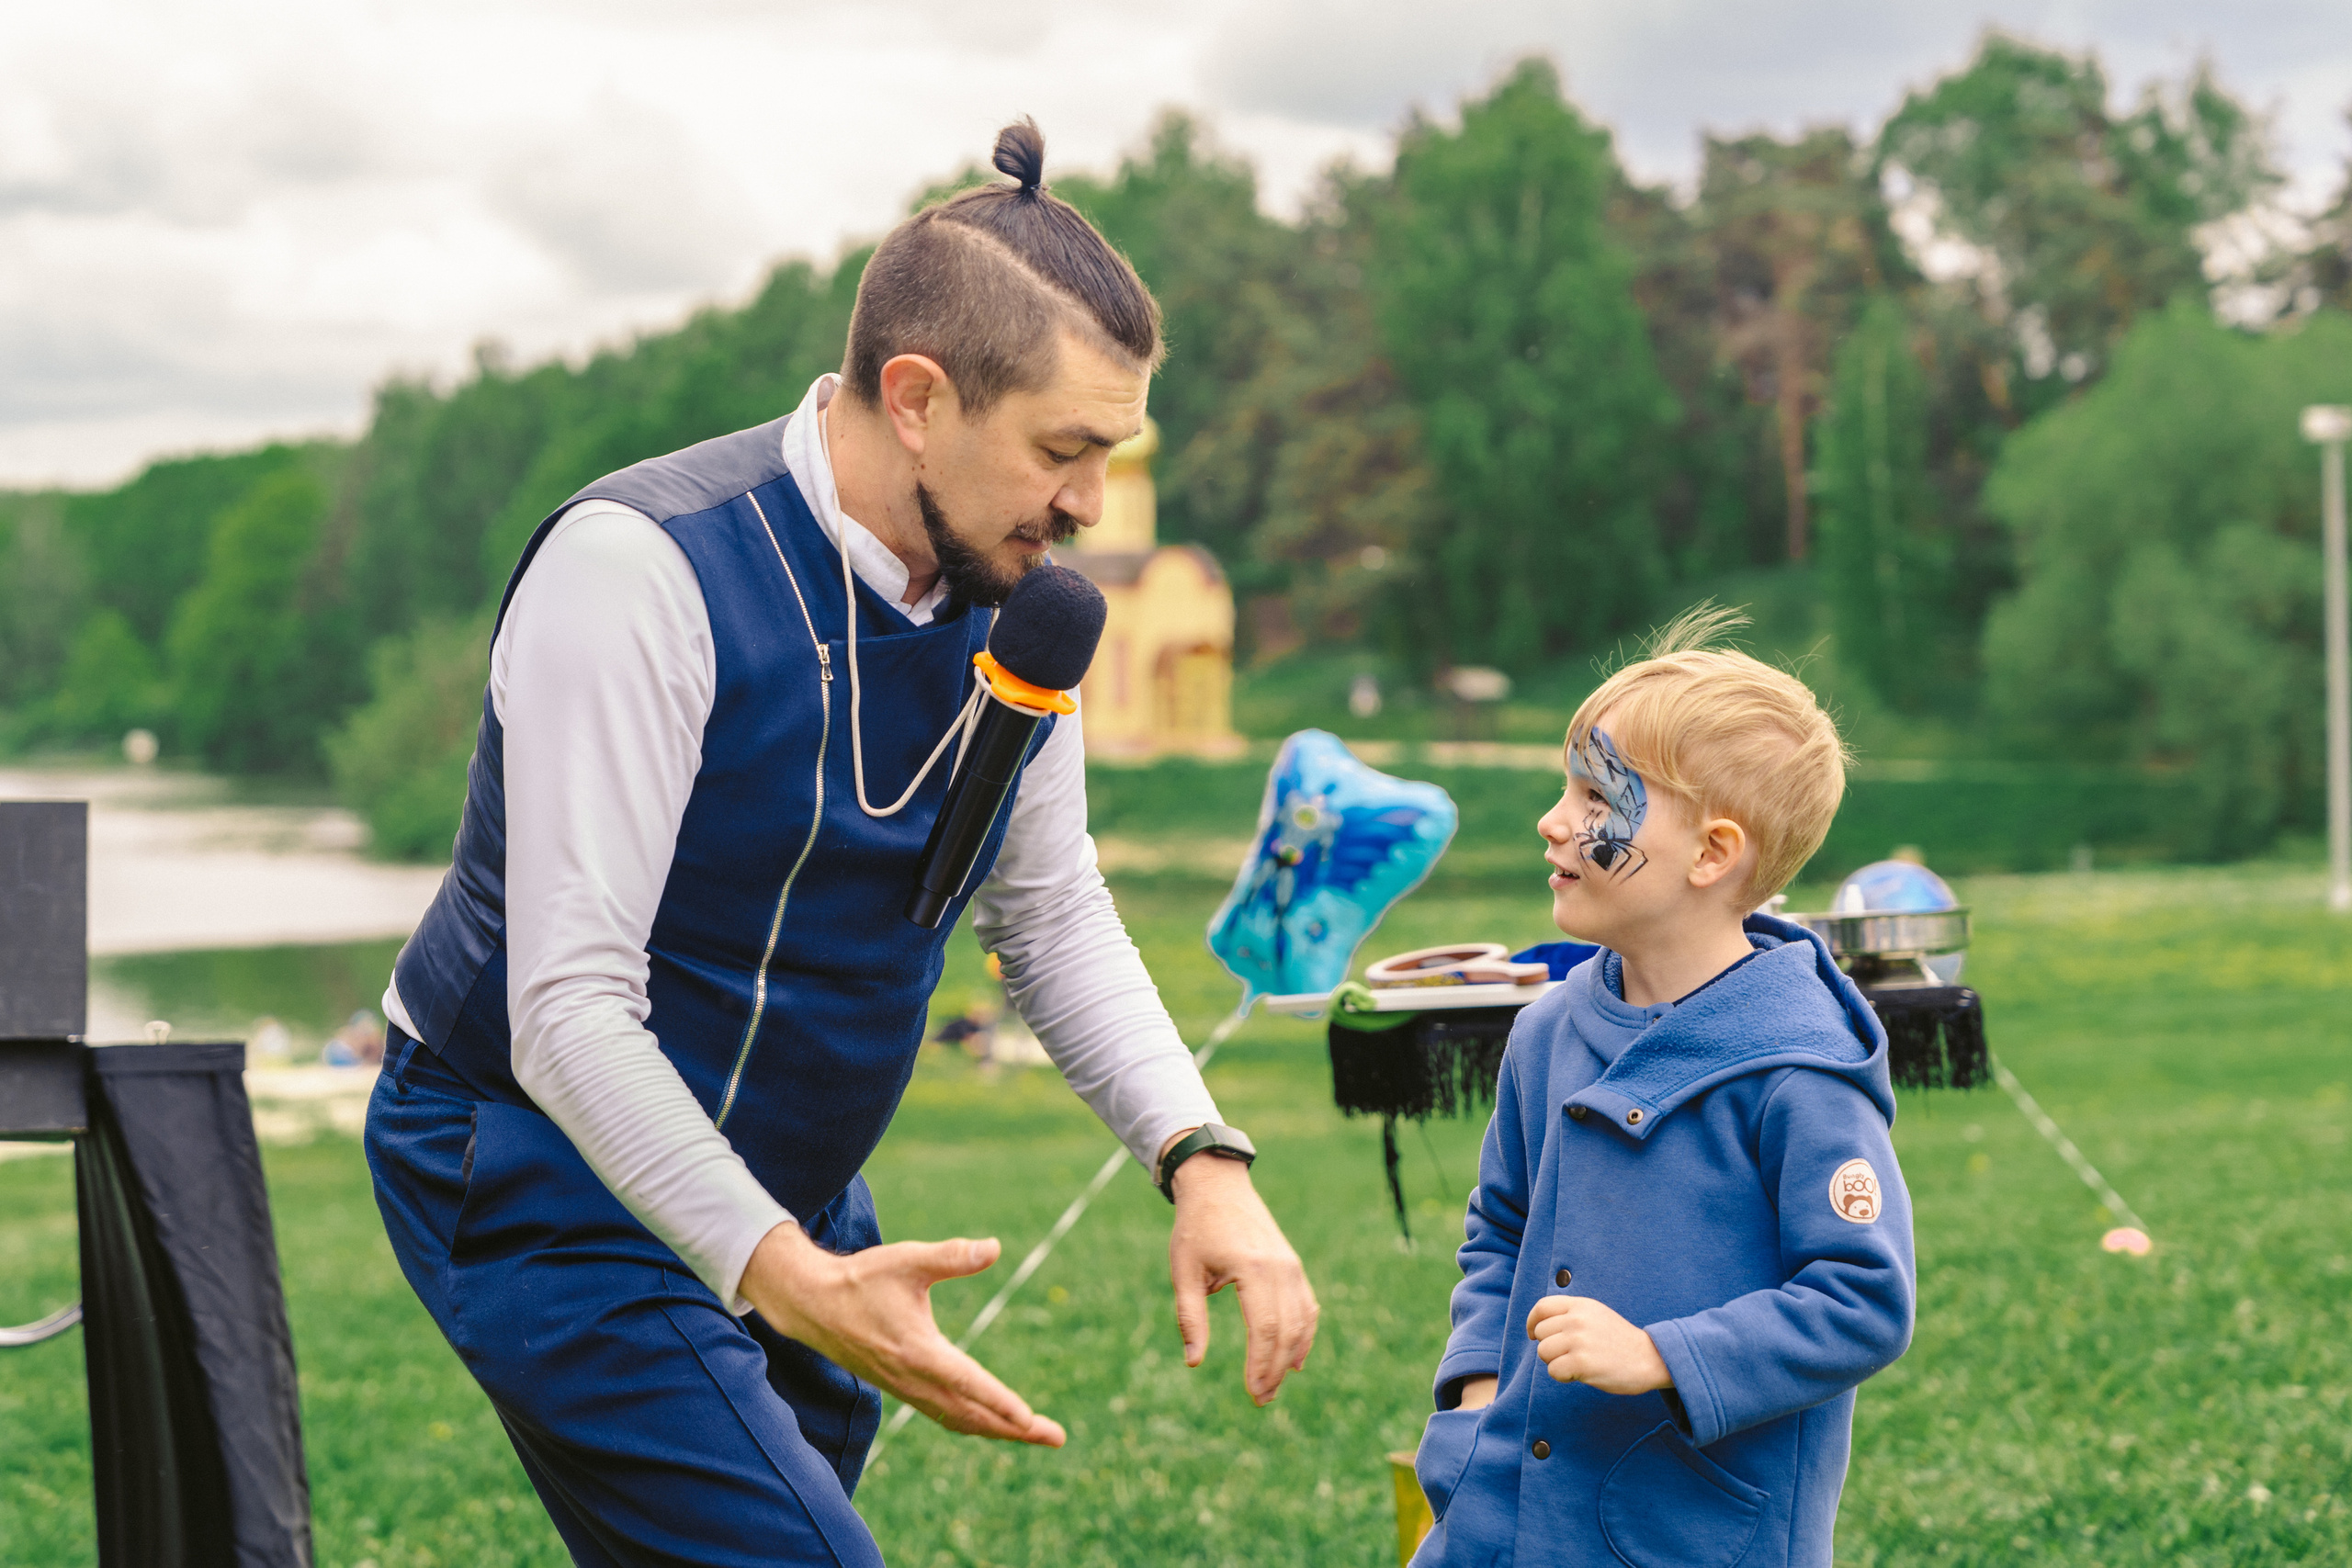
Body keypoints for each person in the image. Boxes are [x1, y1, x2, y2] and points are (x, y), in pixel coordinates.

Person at [364, 119, 1318, 1568]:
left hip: (800, 1188)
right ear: (918, 397)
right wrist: (776, 1270)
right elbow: (566, 1007)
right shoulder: (642, 571)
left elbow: (1049, 918)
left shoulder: (1024, 599)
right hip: (537, 1161)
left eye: (1108, 454)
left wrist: (1203, 1156)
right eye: (1063, 449)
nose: (1087, 504)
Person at [1409, 609, 1915, 1568]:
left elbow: (1862, 1300)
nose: (1553, 821)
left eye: (1597, 795)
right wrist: (1474, 1405)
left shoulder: (1798, 1069)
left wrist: (1663, 1357)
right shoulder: (1545, 1031)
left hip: (1684, 1535)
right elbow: (1498, 1233)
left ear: (1711, 854)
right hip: (1501, 1521)